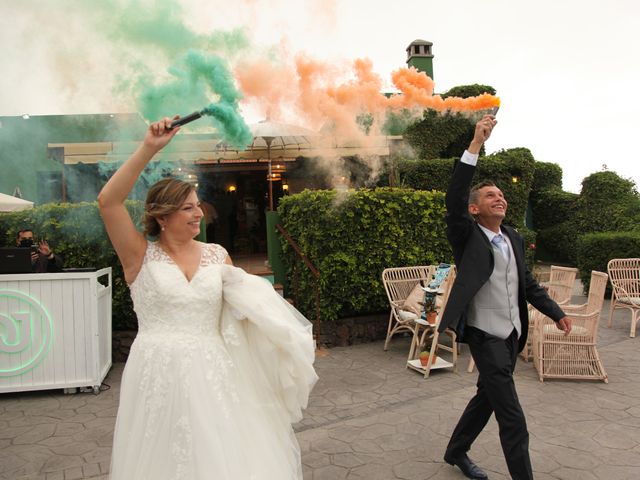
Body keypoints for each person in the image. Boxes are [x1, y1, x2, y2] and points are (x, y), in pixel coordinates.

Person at [97, 116, 317, 480]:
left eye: (197, 205)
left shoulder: (218, 255)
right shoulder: (138, 256)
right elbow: (108, 202)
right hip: (156, 372)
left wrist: (278, 329)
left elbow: (245, 311)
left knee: (218, 456)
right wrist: (150, 147)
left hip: (213, 371)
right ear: (162, 217)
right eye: (188, 207)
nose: (200, 213)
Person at [438, 115, 571, 480]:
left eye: (501, 195)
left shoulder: (511, 237)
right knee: (512, 418)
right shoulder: (467, 236)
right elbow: (454, 197)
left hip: (513, 335)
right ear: (474, 208)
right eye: (490, 195)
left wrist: (555, 312)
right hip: (486, 336)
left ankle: (456, 451)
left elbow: (526, 283)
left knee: (486, 399)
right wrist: (475, 144)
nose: (500, 198)